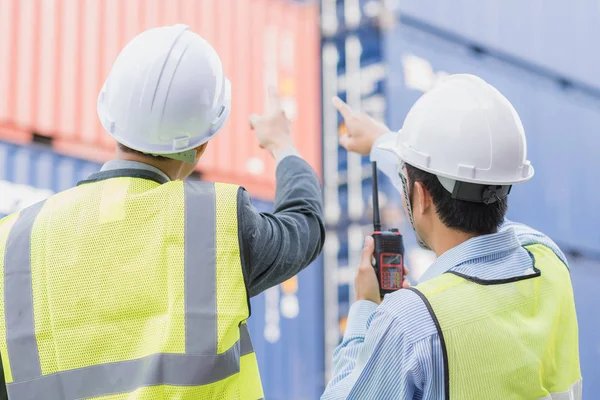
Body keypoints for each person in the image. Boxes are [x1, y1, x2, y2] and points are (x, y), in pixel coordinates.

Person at [0, 25, 324, 400]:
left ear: (109, 116)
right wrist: (282, 145)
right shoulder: (217, 225)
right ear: (201, 147)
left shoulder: (12, 244)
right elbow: (304, 225)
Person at [322, 74, 581, 399]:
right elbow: (477, 183)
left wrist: (364, 310)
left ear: (420, 195)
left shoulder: (411, 321)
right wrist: (382, 142)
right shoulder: (549, 258)